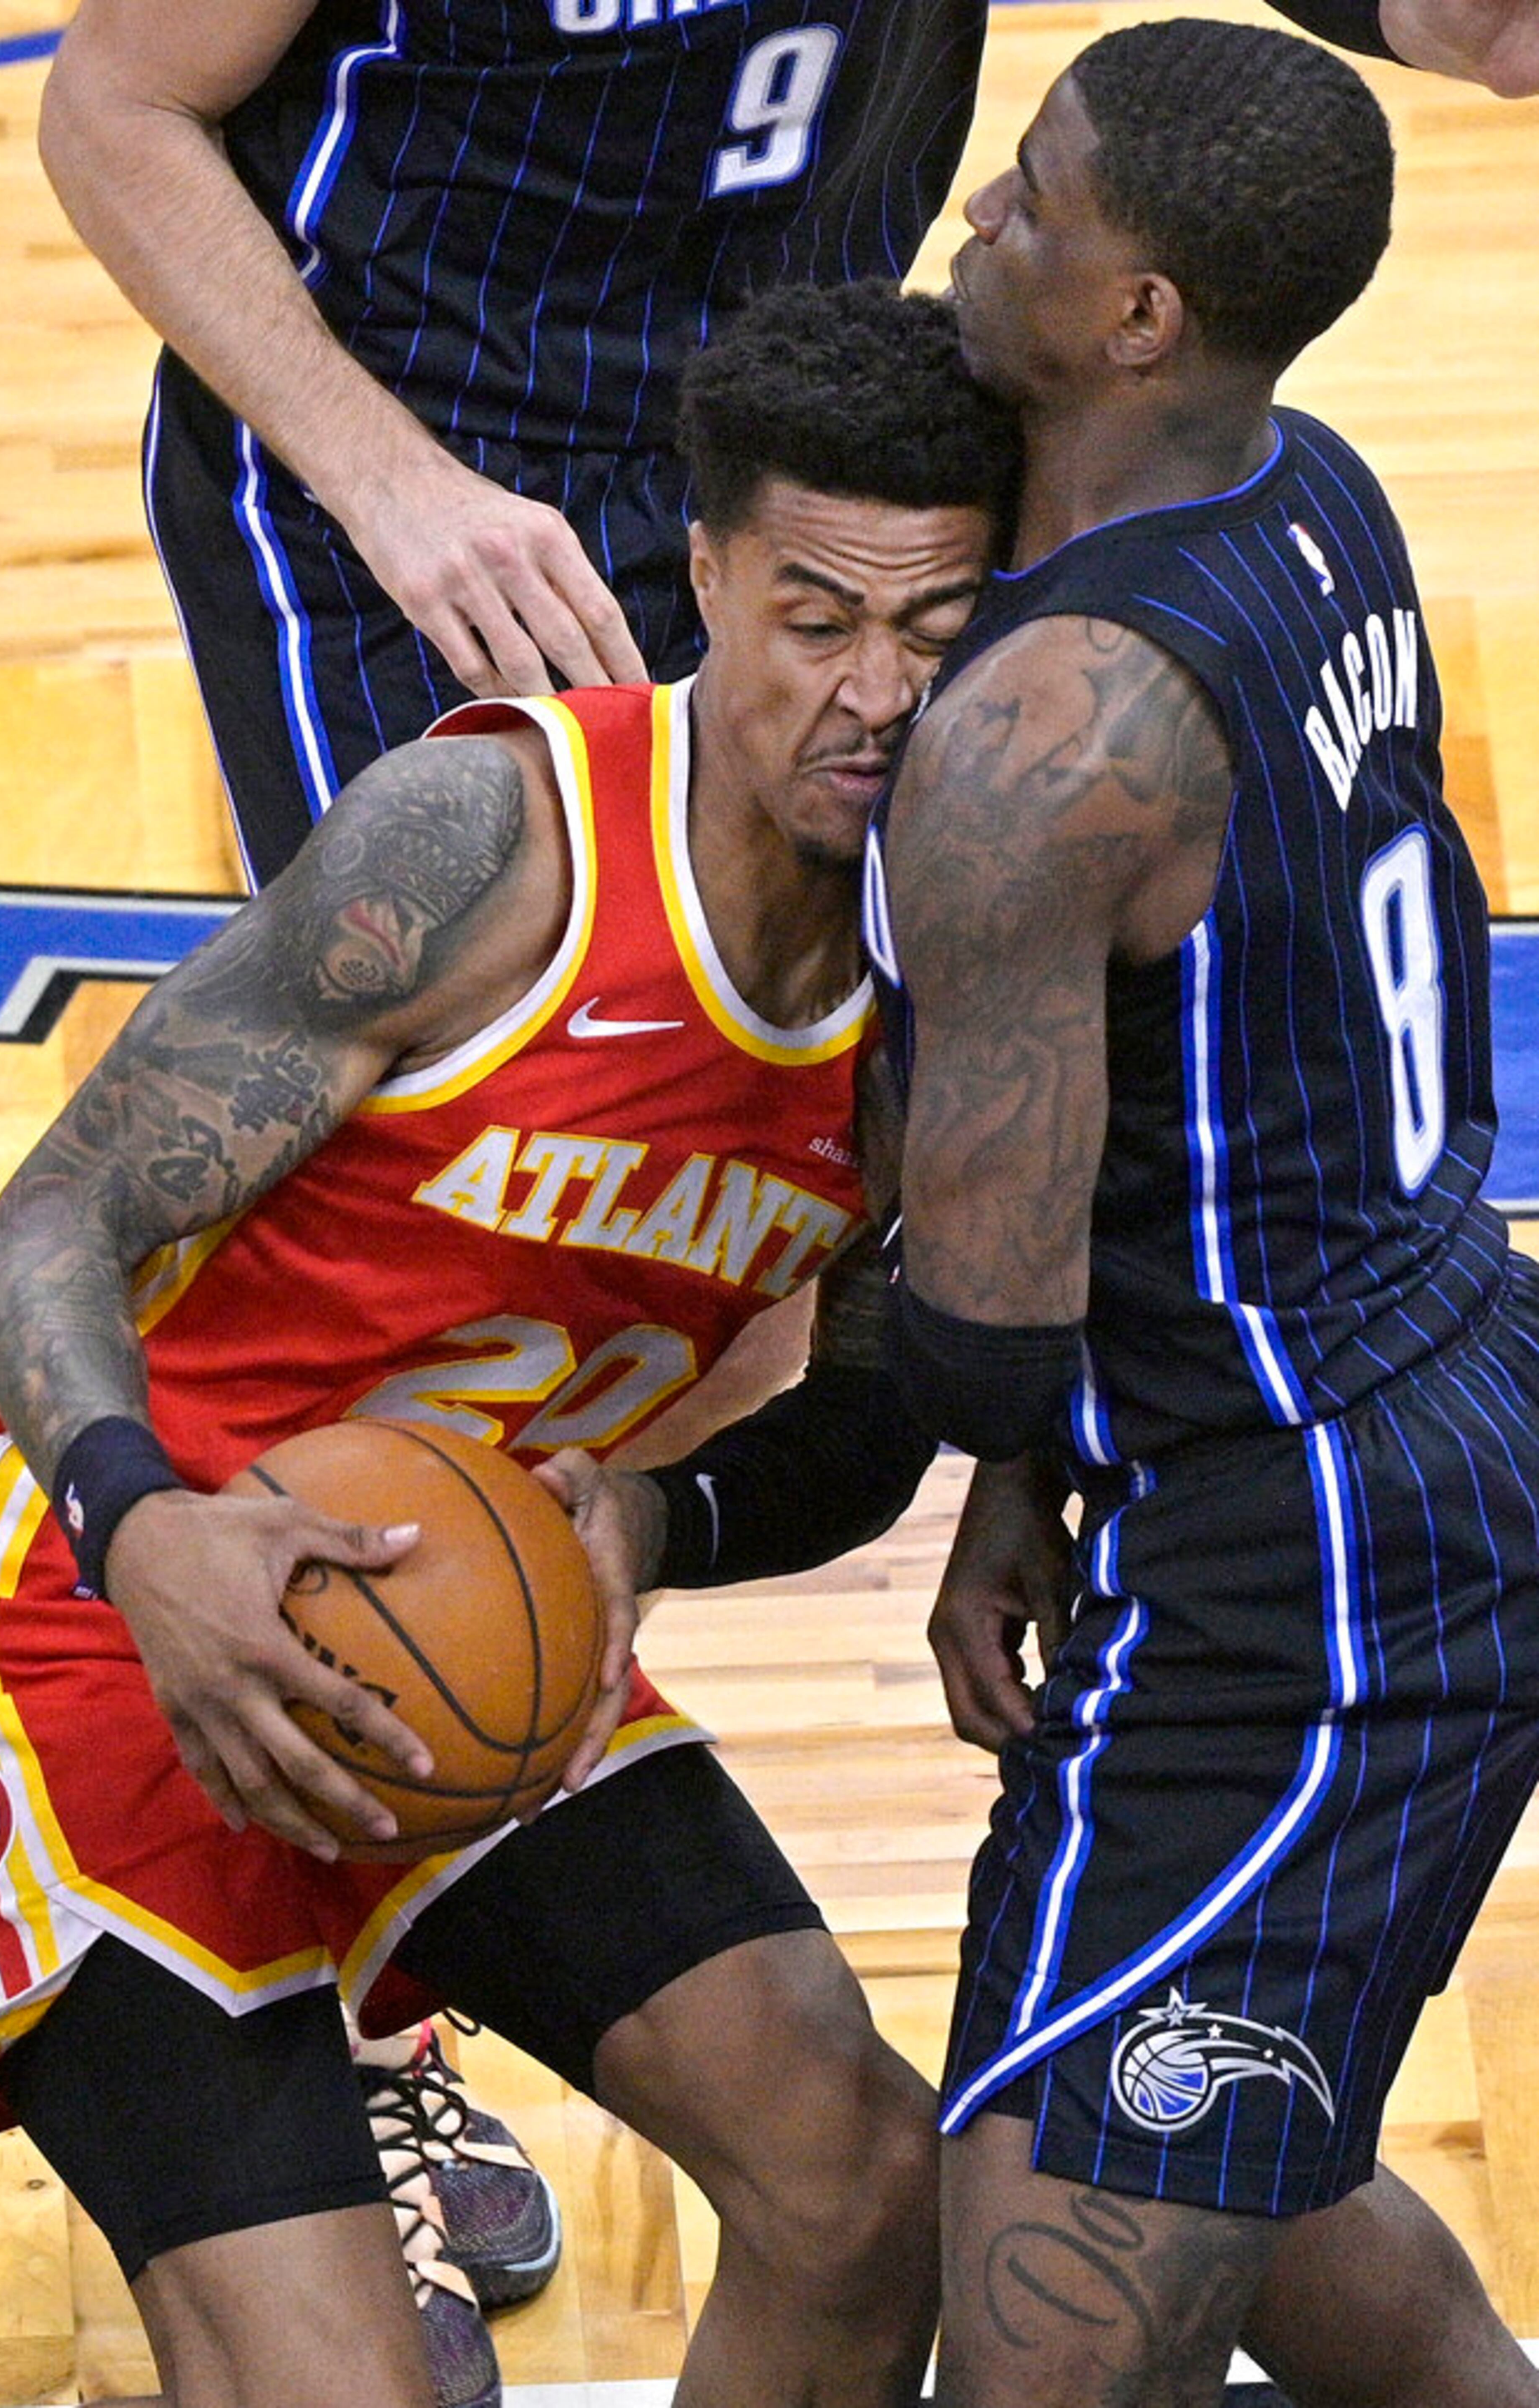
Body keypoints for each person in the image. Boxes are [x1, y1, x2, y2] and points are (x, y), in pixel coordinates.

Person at [0, 279, 1011, 2408]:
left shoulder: (961, 956)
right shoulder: (487, 848)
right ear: (700, 575)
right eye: (816, 619)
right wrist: (145, 1528)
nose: (876, 692)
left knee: (864, 2181)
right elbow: (50, 1218)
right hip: (97, 1610)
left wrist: (660, 1513)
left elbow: (883, 1412)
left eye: (938, 627)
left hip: (466, 1623)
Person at [860, 21, 1539, 2405]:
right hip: (1393, 1390)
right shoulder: (1312, 488)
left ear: (1140, 312)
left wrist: (657, 1470)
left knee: (1043, 2359)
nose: (979, 219)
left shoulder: (1045, 731)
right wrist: (1036, 1487)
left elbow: (975, 1316)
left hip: (1310, 1569)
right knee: (1259, 2179)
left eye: (1033, 203)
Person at [35, 0, 1538, 893]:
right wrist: (391, 484)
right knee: (467, 1093)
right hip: (426, 468)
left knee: (828, 1090)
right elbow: (114, 105)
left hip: (816, 412)